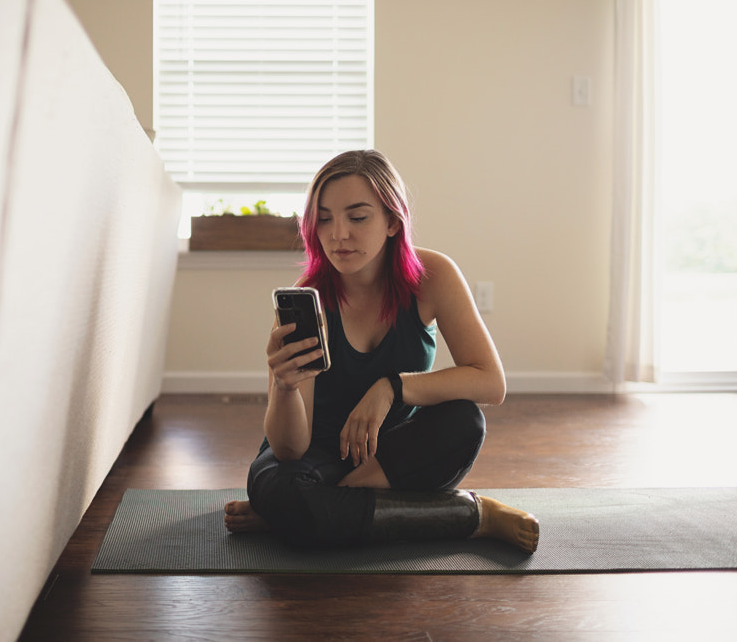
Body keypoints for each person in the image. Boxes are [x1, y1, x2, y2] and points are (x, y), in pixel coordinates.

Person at [224, 149, 539, 553]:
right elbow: (290, 449)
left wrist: (392, 387)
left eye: (357, 217)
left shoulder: (433, 276)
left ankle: (305, 515)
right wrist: (284, 388)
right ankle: (470, 516)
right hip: (314, 459)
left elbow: (490, 382)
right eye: (324, 219)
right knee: (278, 486)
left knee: (465, 421)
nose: (338, 234)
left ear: (392, 220)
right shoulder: (309, 299)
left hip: (389, 460)